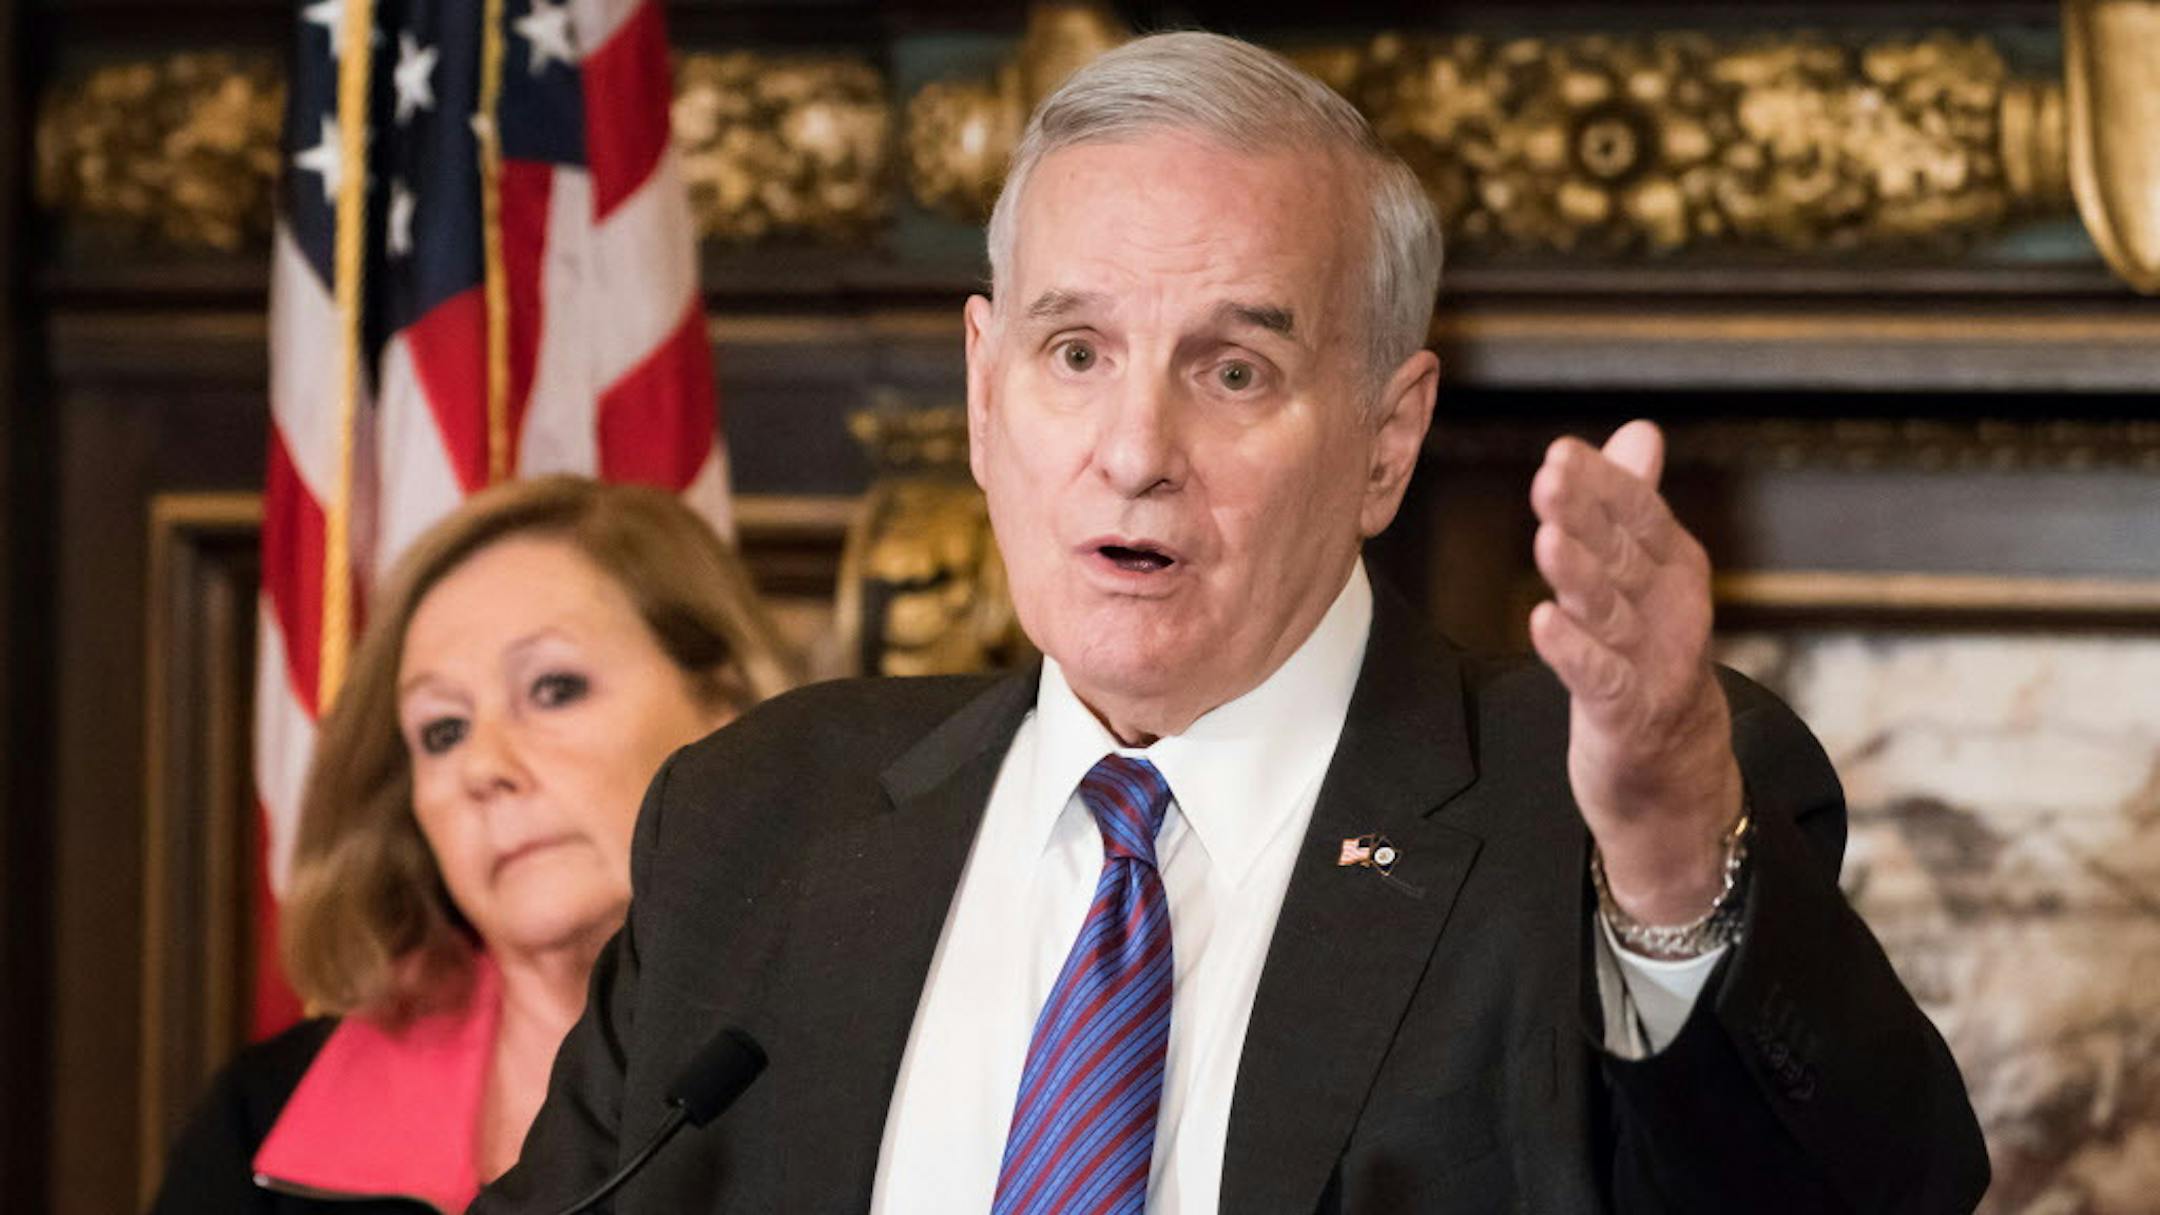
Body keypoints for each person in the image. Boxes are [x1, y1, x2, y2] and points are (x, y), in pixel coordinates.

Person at [475, 33, 1989, 1215]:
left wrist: (1665, 852)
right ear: (985, 390)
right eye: (1077, 351)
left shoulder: (1583, 810)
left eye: (1236, 371)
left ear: (1387, 439)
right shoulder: (757, 820)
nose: (1135, 446)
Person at [149, 476, 798, 1214]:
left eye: (554, 688)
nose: (483, 766)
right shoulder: (258, 1125)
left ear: (729, 706)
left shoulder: (882, 1043)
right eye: (443, 730)